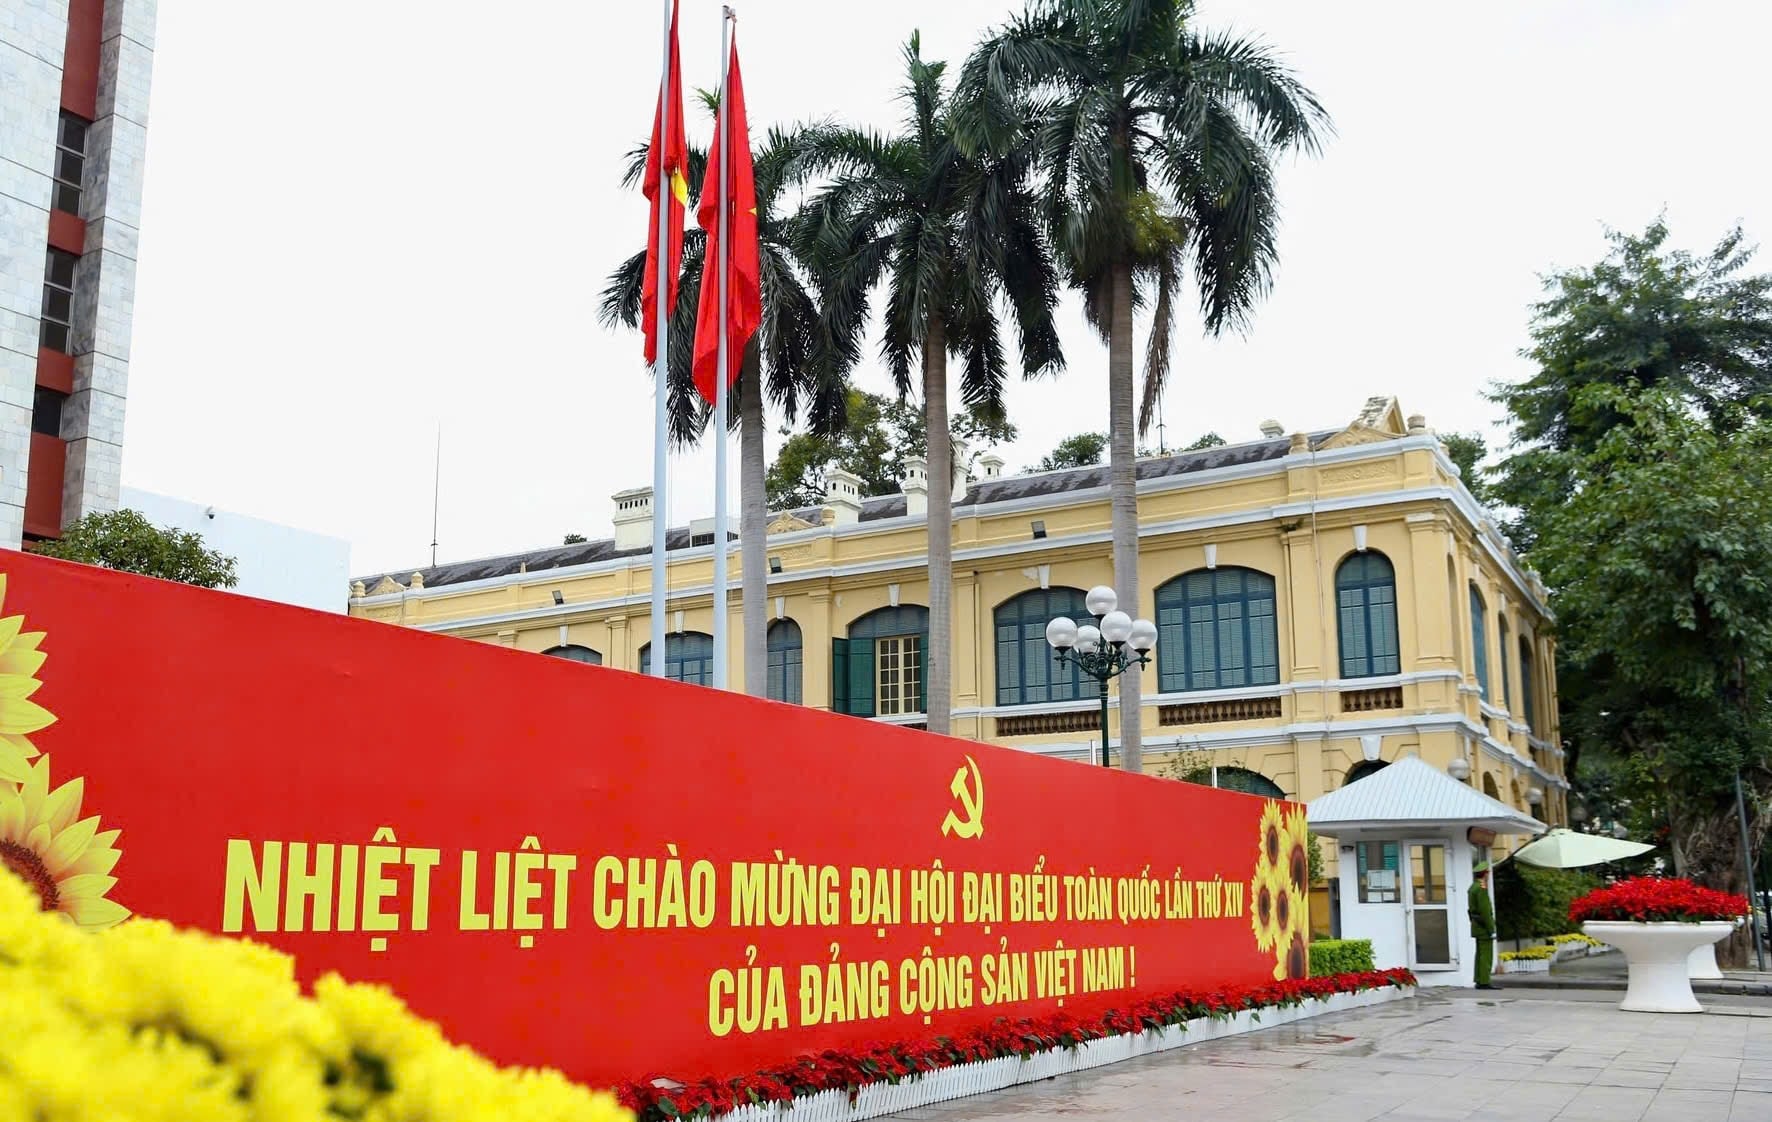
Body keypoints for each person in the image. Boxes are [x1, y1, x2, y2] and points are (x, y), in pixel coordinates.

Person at [1469, 862, 1496, 989]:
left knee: (1479, 954)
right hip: (1484, 927)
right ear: (1485, 874)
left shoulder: (1473, 887)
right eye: (1488, 873)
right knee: (1486, 955)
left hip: (1476, 925)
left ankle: (1479, 979)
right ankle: (1485, 981)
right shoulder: (1481, 888)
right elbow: (1485, 911)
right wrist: (1491, 929)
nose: (1488, 875)